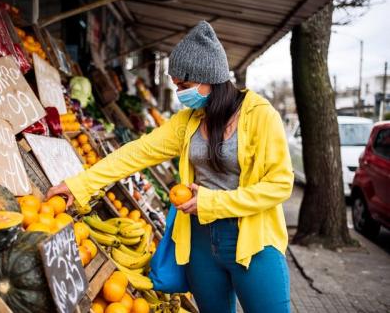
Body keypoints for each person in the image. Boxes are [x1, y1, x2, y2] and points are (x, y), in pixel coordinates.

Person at [47, 21, 294, 313]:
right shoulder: (189, 121)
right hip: (201, 243)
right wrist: (79, 185)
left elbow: (280, 185)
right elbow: (135, 153)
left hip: (253, 242)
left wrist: (214, 202)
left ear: (210, 78)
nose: (180, 94)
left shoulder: (261, 116)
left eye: (184, 86)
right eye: (177, 86)